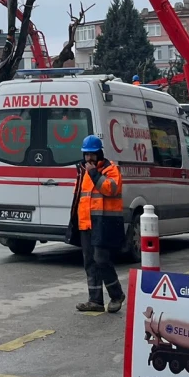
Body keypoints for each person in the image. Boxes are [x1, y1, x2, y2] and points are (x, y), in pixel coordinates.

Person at [70, 134, 126, 313]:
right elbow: (81, 198)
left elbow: (111, 188)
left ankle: (117, 295)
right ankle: (95, 301)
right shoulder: (83, 172)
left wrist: (94, 173)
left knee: (102, 260)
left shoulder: (110, 170)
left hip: (104, 223)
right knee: (90, 262)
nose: (88, 158)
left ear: (100, 153)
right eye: (86, 154)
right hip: (86, 223)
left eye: (92, 154)